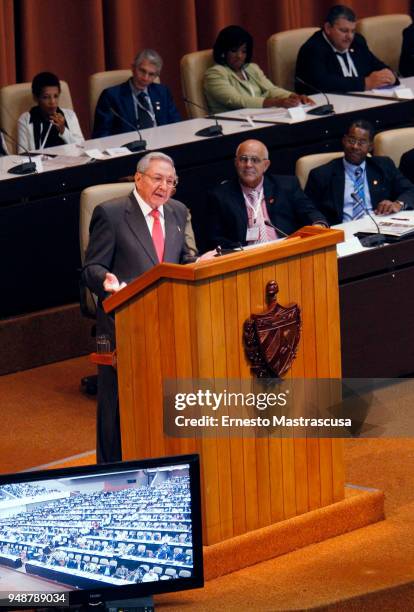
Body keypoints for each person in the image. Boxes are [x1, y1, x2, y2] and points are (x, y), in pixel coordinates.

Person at [82, 152, 198, 463]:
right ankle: (113, 469)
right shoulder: (111, 213)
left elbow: (183, 260)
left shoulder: (177, 211)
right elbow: (91, 266)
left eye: (170, 181)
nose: (164, 187)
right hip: (125, 321)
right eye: (157, 179)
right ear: (138, 178)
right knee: (118, 406)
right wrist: (105, 279)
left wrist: (200, 265)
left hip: (169, 320)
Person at [206, 139, 327, 249]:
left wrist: (318, 224)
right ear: (236, 163)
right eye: (243, 159)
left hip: (286, 250)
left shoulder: (286, 185)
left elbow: (311, 213)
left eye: (255, 160)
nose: (248, 165)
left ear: (266, 165)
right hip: (246, 259)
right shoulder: (220, 196)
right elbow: (215, 239)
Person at [305, 119, 414, 226]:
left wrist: (398, 204)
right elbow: (308, 210)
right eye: (351, 140)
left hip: (380, 227)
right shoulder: (321, 174)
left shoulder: (383, 166)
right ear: (344, 140)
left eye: (362, 142)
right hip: (343, 232)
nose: (355, 147)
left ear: (370, 146)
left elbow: (410, 190)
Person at [203, 25, 312, 114]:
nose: (239, 56)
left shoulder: (251, 68)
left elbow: (271, 90)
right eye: (234, 50)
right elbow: (238, 101)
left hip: (258, 120)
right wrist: (278, 102)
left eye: (243, 51)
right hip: (231, 126)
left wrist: (293, 97)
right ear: (223, 52)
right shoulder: (215, 74)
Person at [295, 5, 396, 94]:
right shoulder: (313, 48)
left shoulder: (358, 41)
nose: (350, 37)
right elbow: (322, 82)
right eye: (344, 31)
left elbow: (375, 64)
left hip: (361, 102)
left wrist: (389, 75)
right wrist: (365, 83)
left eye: (353, 31)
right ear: (328, 28)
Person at [92, 49, 181, 138]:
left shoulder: (162, 93)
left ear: (156, 76)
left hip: (163, 146)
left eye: (151, 74)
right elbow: (101, 135)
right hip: (131, 148)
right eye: (142, 71)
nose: (145, 78)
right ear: (133, 68)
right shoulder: (111, 96)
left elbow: (175, 125)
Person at [17, 72, 83, 152]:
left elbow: (82, 147)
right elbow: (22, 154)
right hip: (40, 163)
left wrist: (63, 131)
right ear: (36, 98)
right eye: (46, 97)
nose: (52, 102)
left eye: (56, 96)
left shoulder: (70, 115)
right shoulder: (25, 119)